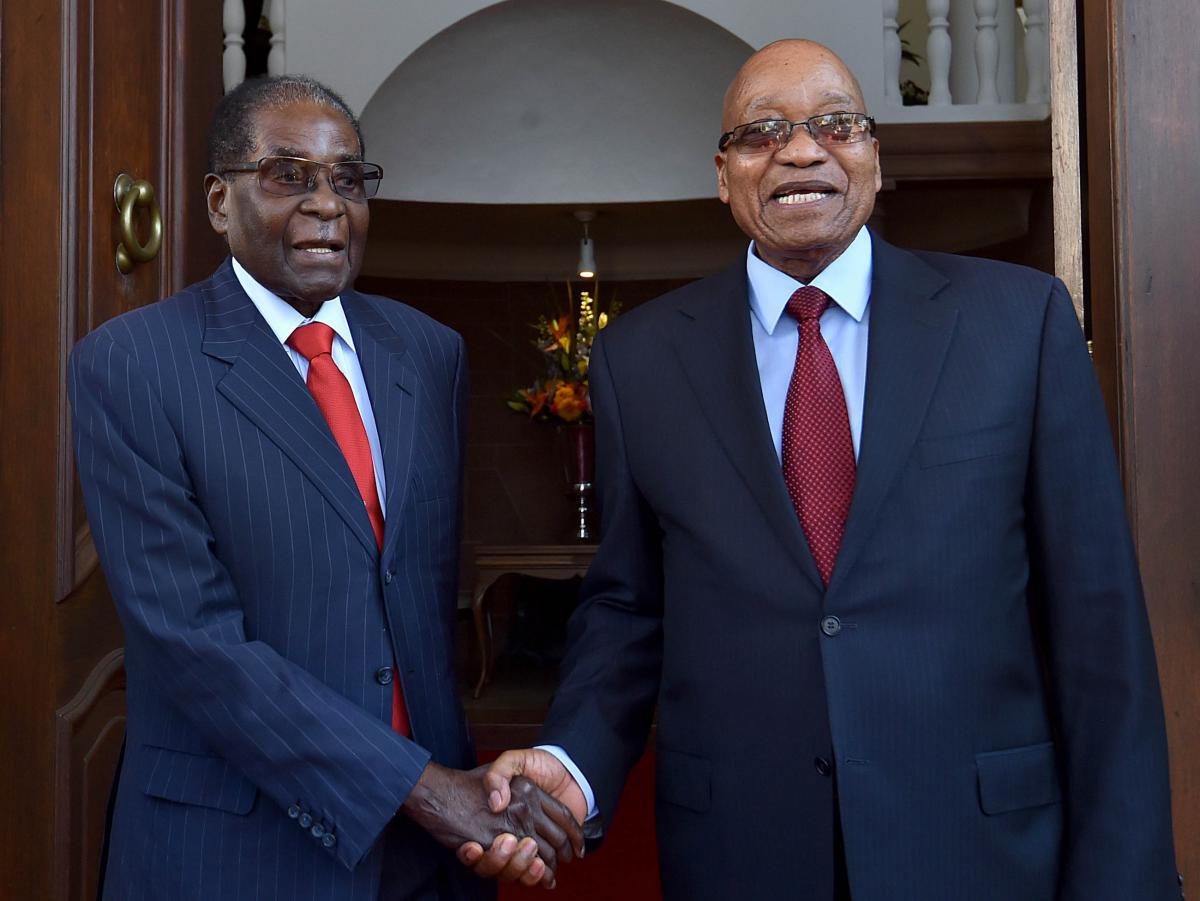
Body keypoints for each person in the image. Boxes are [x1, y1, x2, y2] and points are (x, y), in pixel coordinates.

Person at [460, 40, 1181, 900]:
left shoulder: (1015, 325)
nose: (802, 150)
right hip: (743, 848)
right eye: (763, 132)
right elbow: (629, 607)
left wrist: (1126, 878)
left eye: (836, 125)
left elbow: (1098, 626)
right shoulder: (641, 360)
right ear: (724, 176)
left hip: (983, 848)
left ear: (876, 158)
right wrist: (572, 761)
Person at [69, 75, 580, 901]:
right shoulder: (132, 364)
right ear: (217, 202)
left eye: (349, 178)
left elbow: (414, 603)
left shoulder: (428, 352)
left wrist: (475, 792)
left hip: (431, 860)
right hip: (236, 848)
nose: (328, 204)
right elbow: (195, 644)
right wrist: (426, 790)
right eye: (287, 175)